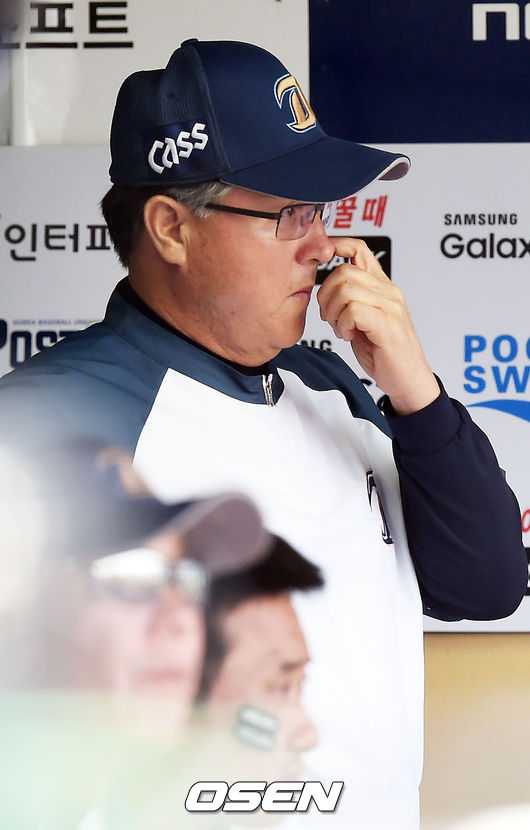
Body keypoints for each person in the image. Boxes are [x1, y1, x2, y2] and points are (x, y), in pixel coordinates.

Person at [0, 38, 526, 829]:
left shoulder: (335, 385)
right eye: (291, 215)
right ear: (171, 229)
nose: (325, 249)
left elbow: (485, 586)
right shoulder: (48, 421)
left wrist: (417, 392)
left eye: (322, 213)